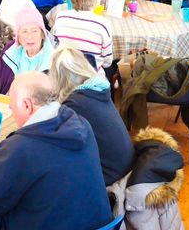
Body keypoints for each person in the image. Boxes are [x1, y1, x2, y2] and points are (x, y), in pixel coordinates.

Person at [0, 71, 113, 230]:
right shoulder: (81, 124)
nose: (10, 106)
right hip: (98, 224)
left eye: (12, 102)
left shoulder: (21, 147)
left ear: (27, 105)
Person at [51, 46, 134, 186]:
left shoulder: (74, 104)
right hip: (124, 168)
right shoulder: (97, 91)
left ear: (58, 77)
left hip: (109, 178)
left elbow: (60, 144)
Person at [0, 7, 55, 95]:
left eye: (34, 31)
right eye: (24, 31)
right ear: (18, 36)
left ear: (42, 34)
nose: (29, 36)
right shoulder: (10, 50)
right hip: (5, 104)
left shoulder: (53, 59)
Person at [52, 0, 113, 73]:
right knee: (112, 69)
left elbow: (54, 46)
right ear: (96, 1)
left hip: (64, 73)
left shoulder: (61, 17)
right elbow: (107, 62)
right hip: (91, 76)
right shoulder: (103, 24)